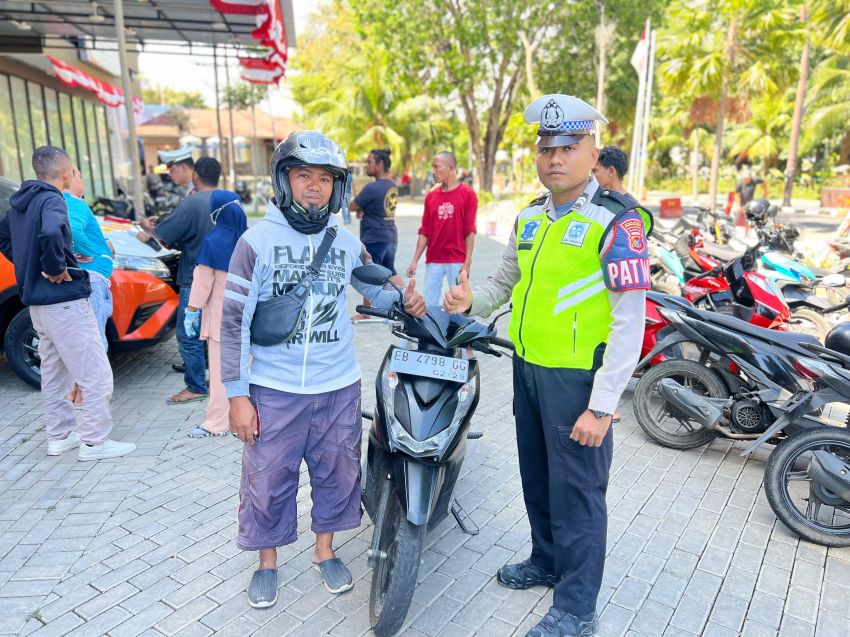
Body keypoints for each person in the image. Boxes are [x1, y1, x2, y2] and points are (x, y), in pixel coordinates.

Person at [443, 95, 653, 637]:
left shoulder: (617, 222)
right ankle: (546, 560)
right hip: (528, 371)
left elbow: (631, 322)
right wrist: (472, 302)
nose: (555, 157)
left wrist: (603, 406)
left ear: (592, 154)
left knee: (578, 493)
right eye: (547, 148)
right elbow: (503, 284)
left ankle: (577, 607)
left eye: (569, 147)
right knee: (538, 479)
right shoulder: (530, 217)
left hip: (578, 381)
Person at [220, 130, 425, 608]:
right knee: (268, 478)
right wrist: (236, 395)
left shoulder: (346, 243)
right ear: (283, 180)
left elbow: (378, 287)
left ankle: (325, 550)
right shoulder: (256, 242)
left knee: (338, 473)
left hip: (338, 386)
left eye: (325, 179)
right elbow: (232, 324)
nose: (314, 187)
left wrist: (407, 297)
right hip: (273, 388)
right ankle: (267, 561)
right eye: (303, 175)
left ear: (339, 186)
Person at [0, 146, 135, 461]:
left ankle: (59, 436)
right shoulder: (52, 200)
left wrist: (28, 266)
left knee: (54, 373)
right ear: (65, 173)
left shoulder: (20, 202)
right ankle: (94, 442)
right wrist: (56, 267)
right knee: (96, 373)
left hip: (37, 306)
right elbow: (50, 232)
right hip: (64, 301)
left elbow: (4, 237)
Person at [137, 157, 221, 404]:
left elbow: (165, 236)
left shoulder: (193, 203)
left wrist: (150, 228)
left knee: (188, 334)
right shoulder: (231, 201)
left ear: (196, 175)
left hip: (196, 277)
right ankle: (217, 380)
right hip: (225, 277)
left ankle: (196, 386)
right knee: (216, 333)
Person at [183, 190, 248, 438]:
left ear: (217, 213)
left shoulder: (212, 242)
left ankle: (216, 424)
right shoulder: (250, 240)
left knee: (222, 375)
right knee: (249, 371)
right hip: (249, 320)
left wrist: (191, 311)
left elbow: (202, 283)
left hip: (221, 322)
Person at [407, 151, 477, 307]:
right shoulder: (431, 197)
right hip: (434, 260)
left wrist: (467, 262)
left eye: (437, 167)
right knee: (430, 305)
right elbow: (425, 231)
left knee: (458, 304)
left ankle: (457, 332)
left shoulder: (468, 194)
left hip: (457, 260)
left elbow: (470, 231)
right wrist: (414, 261)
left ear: (450, 168)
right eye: (432, 167)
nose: (434, 171)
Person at [64, 165, 114, 351]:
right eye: (81, 176)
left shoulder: (63, 203)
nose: (82, 181)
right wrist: (88, 252)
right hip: (91, 279)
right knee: (95, 341)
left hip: (87, 279)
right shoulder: (75, 203)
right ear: (69, 176)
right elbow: (74, 229)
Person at [349, 149, 399, 321]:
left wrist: (360, 209)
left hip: (374, 236)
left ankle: (366, 313)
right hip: (390, 235)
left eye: (370, 161)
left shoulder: (372, 187)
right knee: (390, 272)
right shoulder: (391, 185)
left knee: (370, 273)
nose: (367, 164)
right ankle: (406, 300)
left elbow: (352, 206)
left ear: (379, 164)